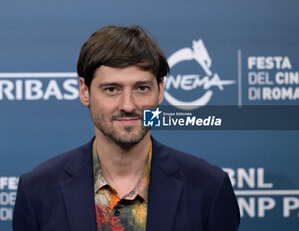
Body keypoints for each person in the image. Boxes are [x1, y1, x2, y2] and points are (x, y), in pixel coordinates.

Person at [13, 25, 240, 231]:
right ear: (84, 91)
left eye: (141, 88)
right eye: (112, 89)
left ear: (160, 91)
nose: (128, 105)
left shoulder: (208, 187)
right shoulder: (37, 191)